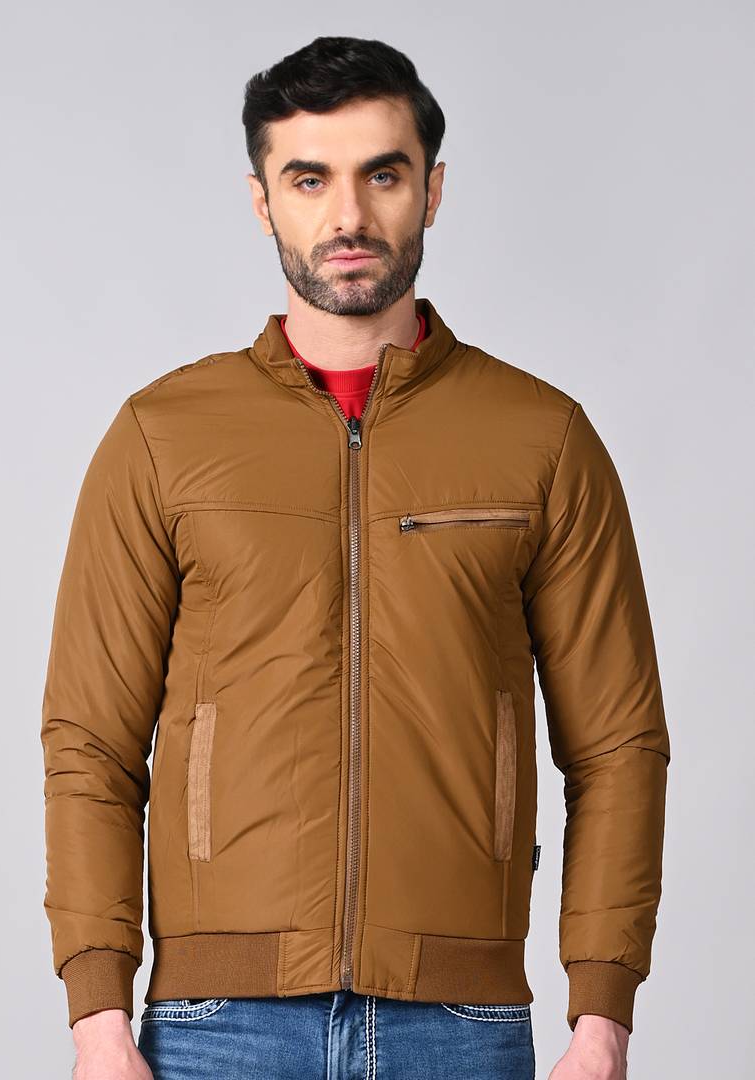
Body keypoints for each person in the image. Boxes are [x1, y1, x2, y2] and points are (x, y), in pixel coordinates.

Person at [41, 34, 670, 1080]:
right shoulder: (162, 437)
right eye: (309, 179)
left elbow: (619, 744)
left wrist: (602, 1020)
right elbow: (90, 745)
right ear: (262, 201)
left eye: (383, 175)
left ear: (432, 191)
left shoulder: (542, 439)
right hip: (217, 1028)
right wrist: (98, 1021)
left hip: (462, 1024)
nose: (348, 216)